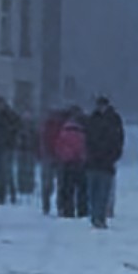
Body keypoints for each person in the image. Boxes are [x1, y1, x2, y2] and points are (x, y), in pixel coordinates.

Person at [84, 96, 125, 228]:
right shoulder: (91, 119)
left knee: (103, 192)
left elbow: (119, 139)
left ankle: (100, 217)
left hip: (106, 161)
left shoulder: (114, 119)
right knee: (92, 192)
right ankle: (95, 216)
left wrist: (114, 155)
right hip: (92, 160)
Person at [51, 107, 89, 219]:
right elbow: (84, 147)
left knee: (68, 188)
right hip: (80, 163)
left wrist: (61, 157)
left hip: (66, 163)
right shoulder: (82, 133)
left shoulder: (63, 132)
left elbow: (58, 147)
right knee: (82, 188)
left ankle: (68, 210)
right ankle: (83, 210)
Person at [0, 97, 22, 205]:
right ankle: (2, 195)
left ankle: (11, 194)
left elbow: (17, 126)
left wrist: (10, 132)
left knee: (6, 172)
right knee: (0, 173)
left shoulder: (10, 115)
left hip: (7, 146)